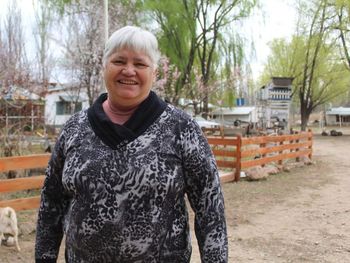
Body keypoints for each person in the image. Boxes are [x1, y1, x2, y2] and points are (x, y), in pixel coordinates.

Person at [35, 25, 228, 263]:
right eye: (119, 61)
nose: (129, 71)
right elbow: (51, 205)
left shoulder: (181, 128)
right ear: (104, 67)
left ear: (154, 73)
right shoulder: (75, 129)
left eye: (140, 64)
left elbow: (211, 208)